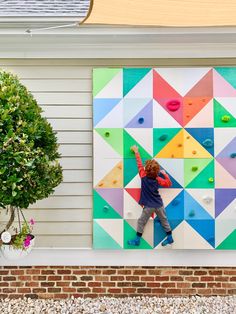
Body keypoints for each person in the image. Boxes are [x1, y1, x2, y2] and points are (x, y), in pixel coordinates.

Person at [127, 145, 174, 247]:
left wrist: (136, 151)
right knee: (164, 220)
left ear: (146, 170)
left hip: (149, 206)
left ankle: (137, 240)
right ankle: (170, 238)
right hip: (159, 204)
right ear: (157, 172)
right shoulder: (158, 179)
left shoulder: (143, 176)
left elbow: (139, 164)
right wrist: (165, 174)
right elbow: (169, 183)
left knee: (141, 221)